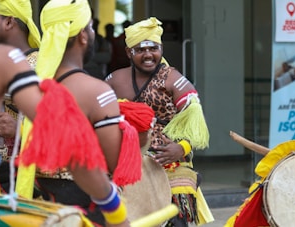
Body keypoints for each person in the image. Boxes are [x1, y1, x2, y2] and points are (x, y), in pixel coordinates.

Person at [34, 0, 141, 225]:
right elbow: (113, 163)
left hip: (37, 202)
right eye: (91, 27)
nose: (92, 33)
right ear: (83, 35)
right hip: (84, 206)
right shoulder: (97, 92)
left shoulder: (30, 87)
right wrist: (138, 135)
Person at [105, 17, 213, 227]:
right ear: (129, 53)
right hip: (125, 158)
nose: (148, 55)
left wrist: (181, 148)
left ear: (161, 49)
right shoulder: (114, 79)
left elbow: (196, 125)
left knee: (178, 211)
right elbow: (98, 116)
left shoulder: (173, 79)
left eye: (153, 48)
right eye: (140, 50)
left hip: (168, 161)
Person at [0, 0, 41, 196]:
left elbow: (59, 124)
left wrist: (19, 131)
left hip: (26, 176)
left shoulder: (41, 65)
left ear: (9, 22)